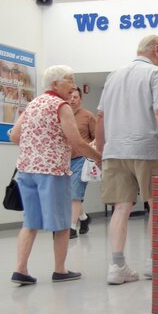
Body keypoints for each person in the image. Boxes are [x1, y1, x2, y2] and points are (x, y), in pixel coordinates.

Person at [9, 65, 102, 285]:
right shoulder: (61, 106)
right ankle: (60, 270)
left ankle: (20, 270)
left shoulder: (33, 104)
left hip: (26, 170)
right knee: (62, 222)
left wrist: (35, 146)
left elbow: (14, 135)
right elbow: (76, 141)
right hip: (52, 170)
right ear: (55, 84)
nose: (73, 85)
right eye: (69, 80)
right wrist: (97, 156)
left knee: (30, 222)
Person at [95, 35, 158, 285]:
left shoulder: (113, 75)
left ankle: (117, 265)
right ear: (155, 50)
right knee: (156, 204)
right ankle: (154, 262)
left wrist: (100, 151)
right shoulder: (157, 74)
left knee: (121, 208)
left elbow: (100, 116)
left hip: (115, 151)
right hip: (147, 149)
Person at [68, 87, 96, 239]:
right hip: (64, 160)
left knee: (75, 194)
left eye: (76, 97)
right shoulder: (61, 115)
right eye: (70, 96)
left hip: (81, 159)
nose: (72, 99)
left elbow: (98, 136)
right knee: (69, 195)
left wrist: (92, 146)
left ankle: (71, 229)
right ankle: (84, 219)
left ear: (80, 99)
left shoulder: (87, 116)